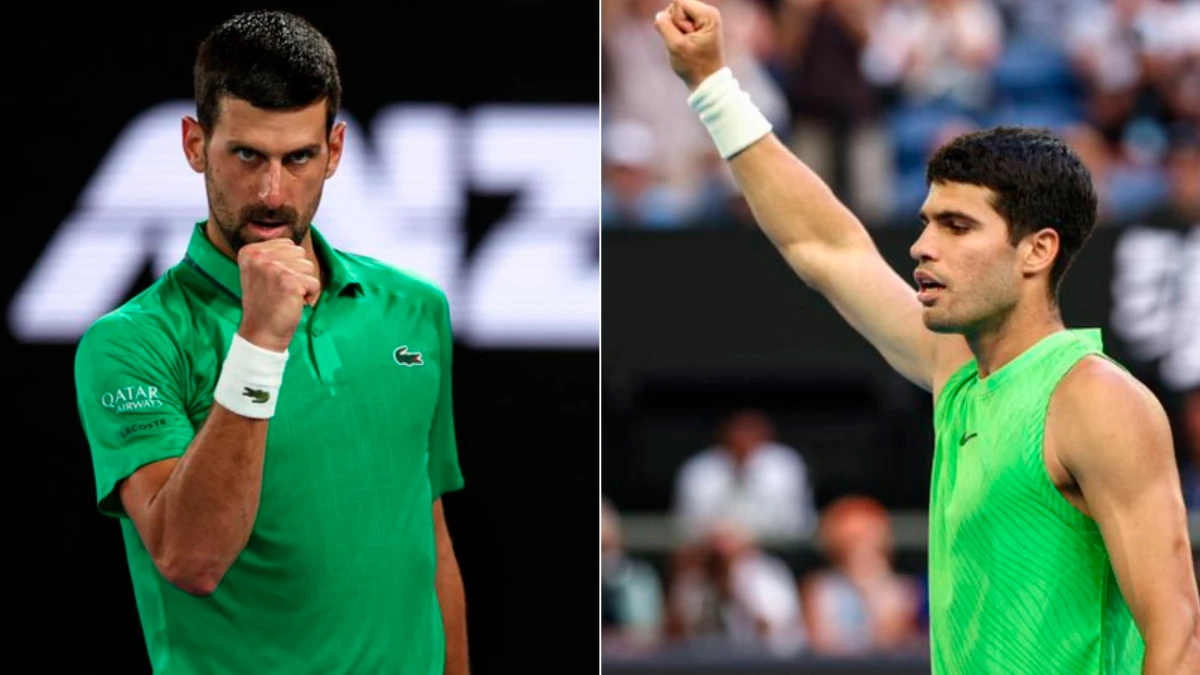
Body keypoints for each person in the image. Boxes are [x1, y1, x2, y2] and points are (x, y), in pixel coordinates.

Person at [651, 1, 1200, 673]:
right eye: (927, 220)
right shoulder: (960, 371)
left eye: (957, 226)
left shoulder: (1098, 400)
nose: (921, 246)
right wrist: (711, 82)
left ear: (1037, 250)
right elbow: (826, 246)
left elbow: (1178, 638)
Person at [72, 11, 468, 674]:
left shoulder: (415, 311)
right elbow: (190, 557)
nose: (272, 193)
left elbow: (428, 542)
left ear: (334, 151)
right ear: (196, 145)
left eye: (299, 158)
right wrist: (259, 339)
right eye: (247, 155)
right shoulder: (130, 345)